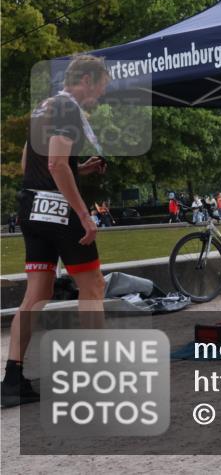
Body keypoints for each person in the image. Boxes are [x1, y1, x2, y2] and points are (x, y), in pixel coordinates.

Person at [2, 55, 110, 408]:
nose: (99, 98)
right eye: (100, 90)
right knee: (93, 286)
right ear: (88, 80)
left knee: (36, 293)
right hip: (57, 211)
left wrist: (82, 169)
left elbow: (26, 163)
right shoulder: (67, 108)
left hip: (30, 207)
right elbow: (56, 163)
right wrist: (83, 214)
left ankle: (12, 380)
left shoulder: (44, 107)